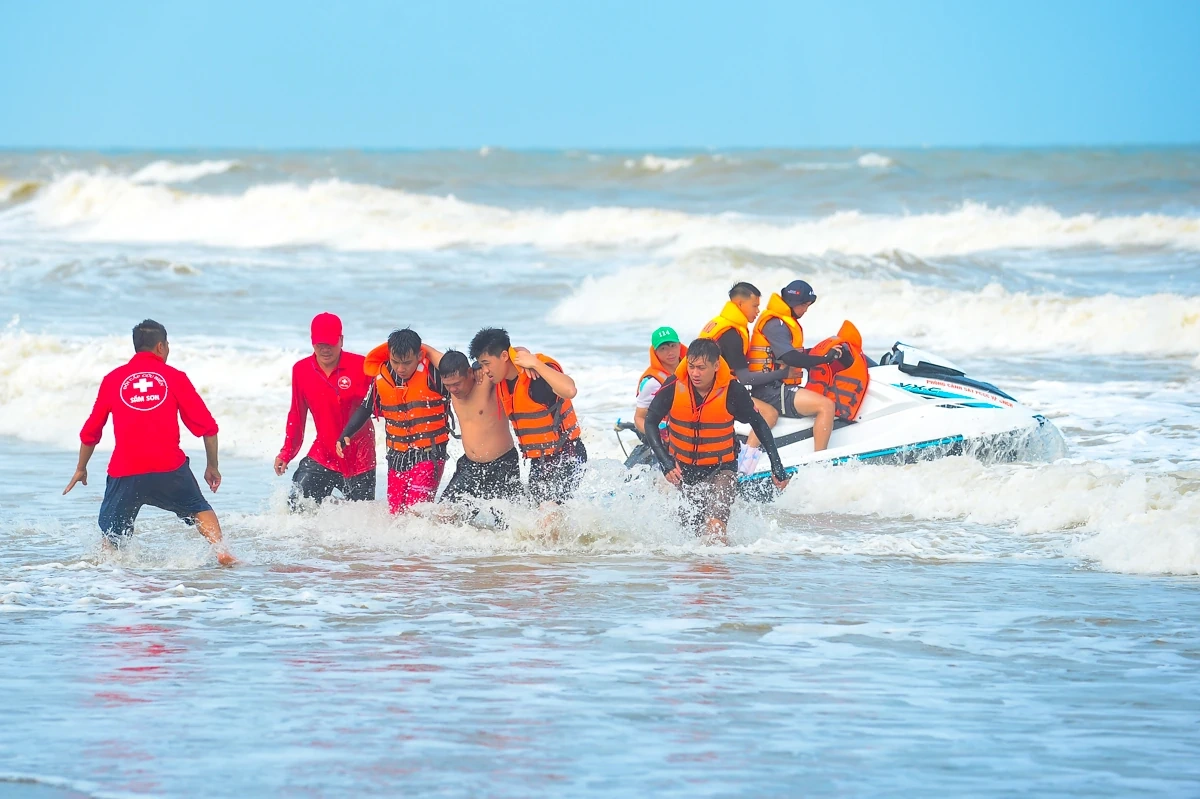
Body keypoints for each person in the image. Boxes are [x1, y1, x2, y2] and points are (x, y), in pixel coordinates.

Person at [63, 319, 236, 566]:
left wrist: (81, 468)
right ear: (160, 347)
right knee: (199, 507)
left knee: (111, 540)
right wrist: (212, 466)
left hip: (125, 471)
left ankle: (110, 580)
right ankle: (222, 551)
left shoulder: (113, 379)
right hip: (169, 468)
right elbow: (207, 427)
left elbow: (91, 431)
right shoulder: (174, 377)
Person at [643, 338, 789, 544]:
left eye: (701, 368)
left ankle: (720, 573)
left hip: (722, 469)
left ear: (716, 366)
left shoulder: (733, 391)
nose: (694, 373)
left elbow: (760, 424)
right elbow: (650, 422)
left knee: (716, 530)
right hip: (685, 472)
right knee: (690, 537)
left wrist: (777, 464)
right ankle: (701, 575)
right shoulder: (674, 385)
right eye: (691, 366)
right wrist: (665, 462)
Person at [337, 328, 449, 514]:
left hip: (430, 453)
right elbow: (366, 407)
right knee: (396, 514)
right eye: (395, 362)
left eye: (407, 363)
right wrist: (346, 433)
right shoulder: (383, 375)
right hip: (396, 455)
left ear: (420, 355)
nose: (400, 369)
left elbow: (460, 375)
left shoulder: (434, 374)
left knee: (416, 512)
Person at [469, 327, 586, 505]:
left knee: (548, 514)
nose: (485, 370)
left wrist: (536, 363)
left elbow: (570, 390)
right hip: (539, 463)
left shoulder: (536, 374)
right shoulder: (502, 378)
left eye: (487, 363)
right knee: (537, 519)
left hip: (567, 455)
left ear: (504, 356)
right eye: (481, 365)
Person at [274, 312, 377, 510]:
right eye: (320, 343)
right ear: (312, 342)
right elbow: (296, 414)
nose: (325, 349)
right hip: (323, 454)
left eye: (330, 343)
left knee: (361, 523)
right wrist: (287, 451)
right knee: (295, 510)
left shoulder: (363, 367)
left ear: (341, 340)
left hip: (360, 458)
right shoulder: (301, 370)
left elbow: (384, 405)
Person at [742, 280, 851, 462]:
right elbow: (790, 358)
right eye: (805, 306)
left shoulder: (781, 322)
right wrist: (825, 359)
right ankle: (819, 462)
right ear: (796, 304)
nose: (806, 310)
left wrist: (822, 352)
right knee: (826, 405)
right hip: (771, 391)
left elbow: (796, 354)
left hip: (774, 387)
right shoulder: (776, 324)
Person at [422, 349, 522, 518]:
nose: (453, 389)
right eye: (448, 385)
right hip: (470, 467)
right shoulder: (450, 373)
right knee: (444, 517)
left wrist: (479, 365)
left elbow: (508, 359)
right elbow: (426, 350)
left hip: (502, 464)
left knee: (510, 526)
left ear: (469, 373)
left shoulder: (486, 380)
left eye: (457, 384)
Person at [633, 326, 686, 438]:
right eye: (663, 348)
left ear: (679, 346)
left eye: (673, 346)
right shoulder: (652, 383)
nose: (670, 352)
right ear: (655, 352)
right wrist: (656, 437)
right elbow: (639, 418)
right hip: (664, 434)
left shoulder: (694, 370)